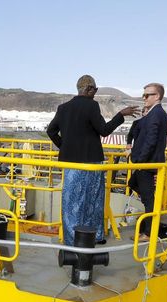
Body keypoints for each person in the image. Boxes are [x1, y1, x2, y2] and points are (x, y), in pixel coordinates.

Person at [46, 75, 137, 246]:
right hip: (91, 163)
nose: (95, 94)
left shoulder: (63, 108)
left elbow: (51, 131)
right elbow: (104, 130)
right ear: (88, 89)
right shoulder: (91, 106)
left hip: (71, 164)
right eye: (94, 90)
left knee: (71, 202)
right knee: (93, 200)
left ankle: (72, 239)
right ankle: (95, 236)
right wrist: (120, 115)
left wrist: (65, 147)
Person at [127, 83, 167, 241]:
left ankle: (149, 233)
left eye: (147, 95)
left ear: (157, 96)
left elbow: (151, 141)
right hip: (145, 163)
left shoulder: (156, 114)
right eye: (143, 95)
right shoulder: (154, 113)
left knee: (149, 199)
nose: (144, 98)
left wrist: (140, 161)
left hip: (147, 164)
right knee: (133, 184)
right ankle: (148, 223)